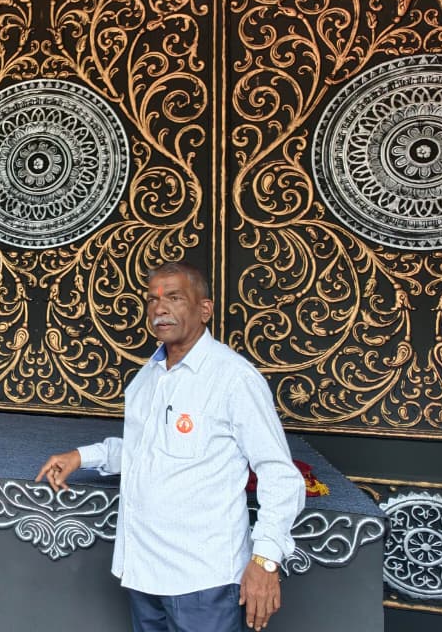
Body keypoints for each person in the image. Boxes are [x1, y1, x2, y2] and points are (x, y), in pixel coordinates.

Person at [37, 261, 304, 632]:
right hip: (144, 573)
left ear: (205, 310)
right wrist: (82, 456)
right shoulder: (148, 377)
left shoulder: (233, 378)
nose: (159, 308)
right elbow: (145, 451)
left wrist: (265, 560)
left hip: (203, 582)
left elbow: (279, 473)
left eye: (174, 298)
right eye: (152, 300)